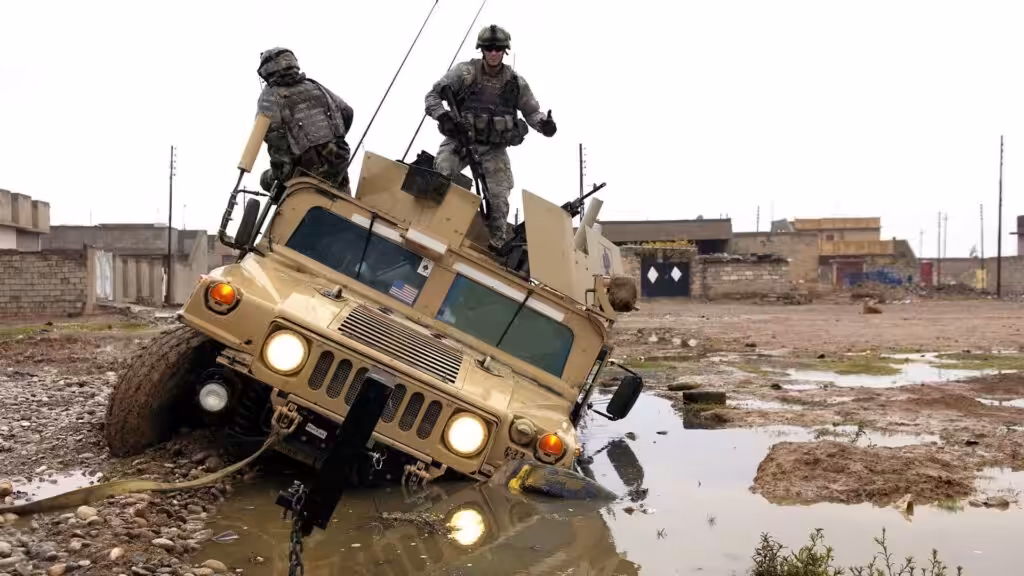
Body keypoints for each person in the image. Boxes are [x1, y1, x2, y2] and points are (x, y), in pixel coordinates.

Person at [424, 25, 557, 249]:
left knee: (498, 200)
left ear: (505, 51)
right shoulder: (465, 72)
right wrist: (444, 117)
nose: (494, 53)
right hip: (462, 140)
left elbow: (531, 111)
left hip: (494, 149)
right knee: (443, 171)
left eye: (498, 49)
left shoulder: (515, 82)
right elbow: (433, 96)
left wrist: (544, 125)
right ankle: (431, 223)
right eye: (489, 49)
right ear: (482, 50)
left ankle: (494, 247)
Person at [256, 47, 355, 195]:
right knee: (342, 202)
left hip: (306, 173)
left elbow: (275, 140)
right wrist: (332, 139)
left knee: (265, 180)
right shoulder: (314, 85)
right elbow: (347, 111)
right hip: (339, 160)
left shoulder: (269, 96)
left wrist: (280, 175)